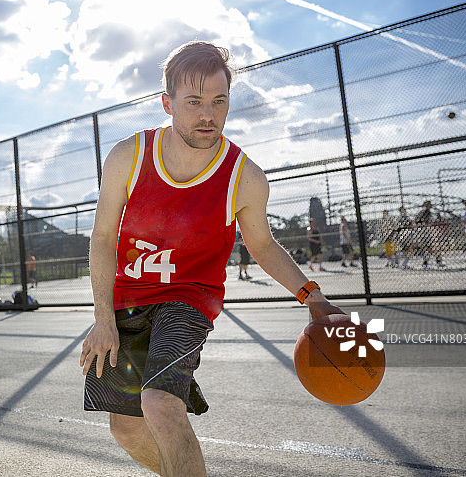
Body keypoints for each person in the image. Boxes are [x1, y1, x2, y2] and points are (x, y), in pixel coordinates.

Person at [79, 41, 342, 477]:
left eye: (219, 102)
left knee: (160, 404)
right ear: (167, 103)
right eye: (194, 102)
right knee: (126, 428)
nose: (208, 114)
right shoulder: (129, 156)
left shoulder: (245, 176)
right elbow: (104, 235)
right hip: (128, 298)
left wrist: (312, 297)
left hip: (188, 299)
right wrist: (103, 317)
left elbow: (262, 245)